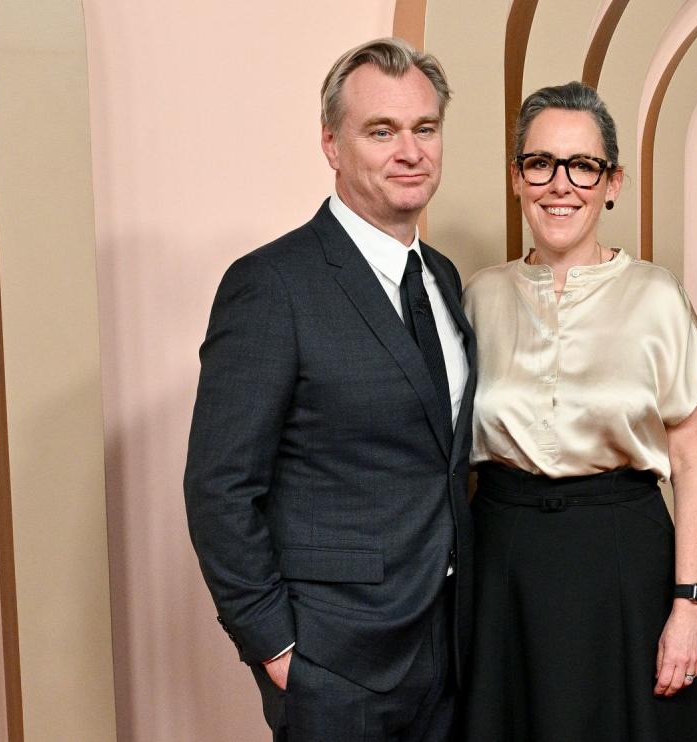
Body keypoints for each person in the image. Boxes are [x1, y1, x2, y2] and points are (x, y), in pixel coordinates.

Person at [184, 38, 476, 742]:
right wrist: (279, 651)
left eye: (424, 128)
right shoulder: (272, 285)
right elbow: (220, 485)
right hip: (334, 664)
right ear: (332, 144)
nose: (410, 150)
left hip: (448, 651)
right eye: (382, 130)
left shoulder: (442, 276)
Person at [461, 81, 697, 741]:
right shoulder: (476, 298)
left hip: (622, 562)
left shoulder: (657, 296)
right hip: (502, 567)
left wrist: (689, 604)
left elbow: (693, 464)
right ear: (518, 179)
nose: (561, 184)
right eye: (541, 163)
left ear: (612, 182)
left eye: (582, 166)